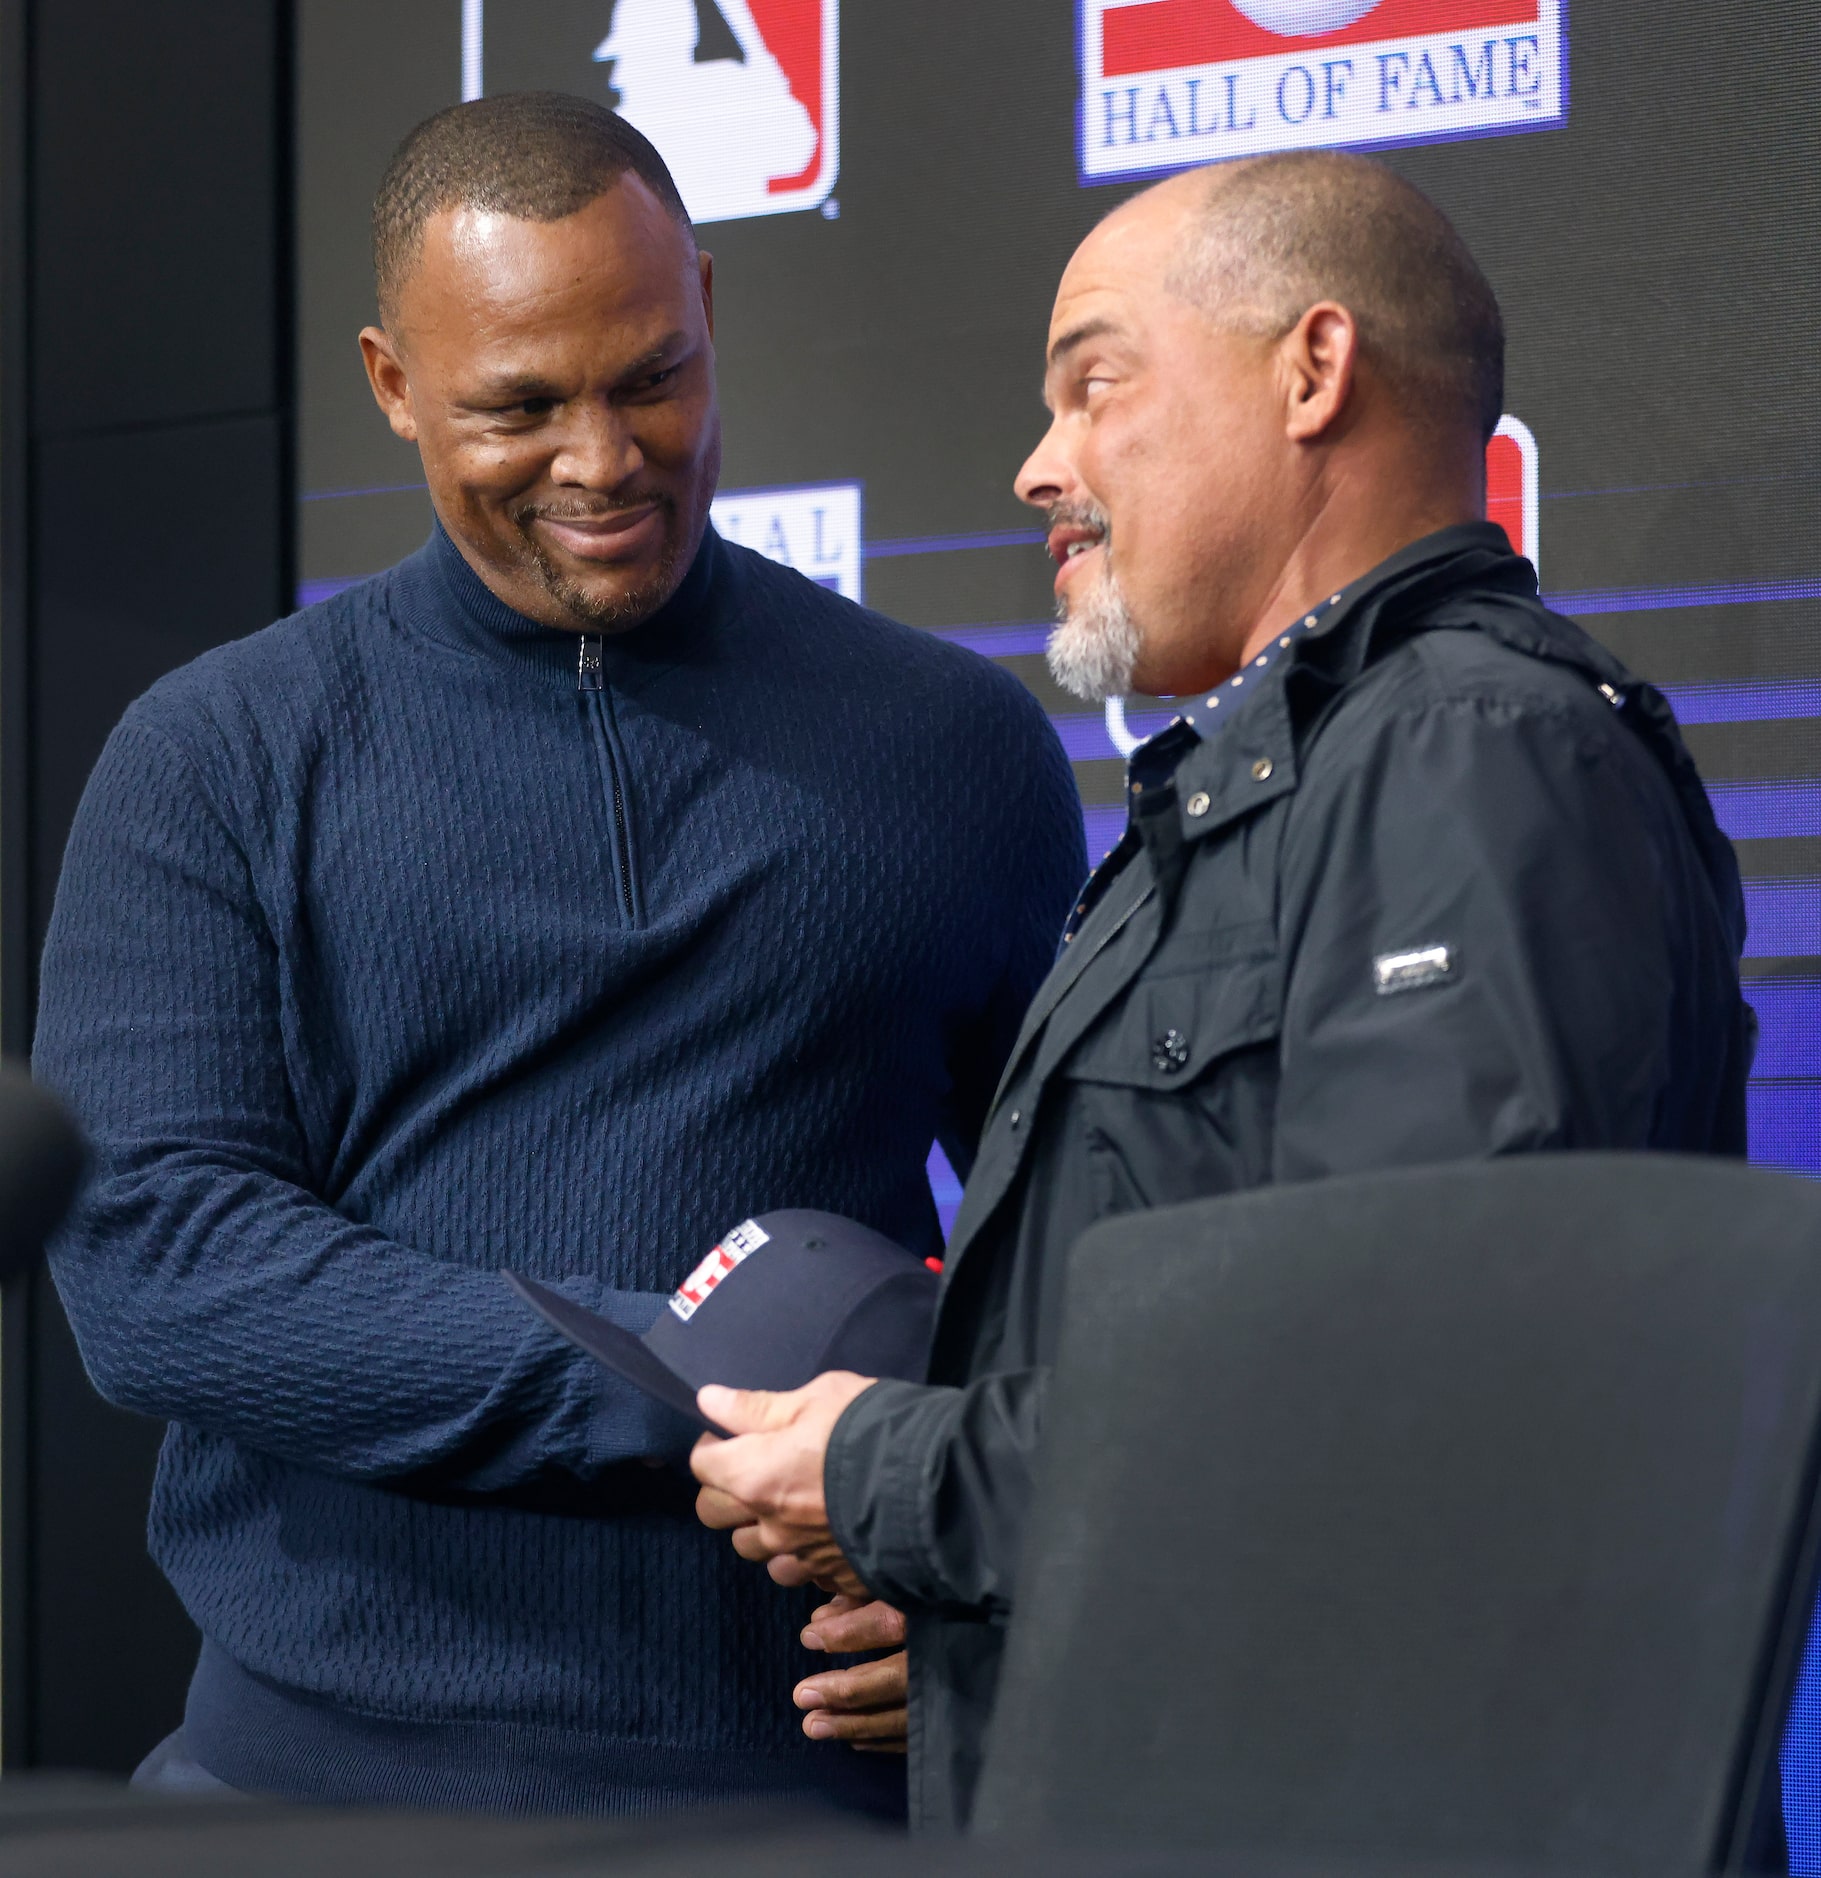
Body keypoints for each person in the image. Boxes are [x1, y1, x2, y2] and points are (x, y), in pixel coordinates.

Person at [33, 93, 1084, 1819]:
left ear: (710, 321)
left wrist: (979, 1550)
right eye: (516, 406)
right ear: (390, 382)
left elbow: (1075, 1256)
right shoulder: (215, 753)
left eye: (649, 378)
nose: (602, 460)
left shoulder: (955, 743)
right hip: (307, 1785)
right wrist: (689, 1375)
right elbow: (158, 1271)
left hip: (807, 1788)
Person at [688, 151, 1754, 1832]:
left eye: (1092, 382)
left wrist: (885, 1471)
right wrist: (998, 1607)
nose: (1040, 464)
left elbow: (1393, 1407)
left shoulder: (1469, 765)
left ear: (1311, 371)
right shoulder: (1289, 784)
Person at [594, 0, 817, 223]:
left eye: (631, 58)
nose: (616, 78)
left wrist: (767, 86)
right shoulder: (624, 126)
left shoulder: (729, 92)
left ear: (667, 52)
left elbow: (798, 147)